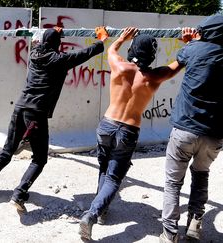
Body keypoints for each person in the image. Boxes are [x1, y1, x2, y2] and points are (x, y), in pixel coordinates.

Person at [0, 26, 108, 213]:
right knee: (39, 159)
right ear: (57, 44)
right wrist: (102, 39)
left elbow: (41, 40)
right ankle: (19, 194)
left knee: (8, 150)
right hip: (36, 114)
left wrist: (52, 31)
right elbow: (86, 53)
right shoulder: (60, 60)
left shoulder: (34, 55)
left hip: (20, 108)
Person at [78, 27, 185, 240]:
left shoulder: (118, 65)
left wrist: (121, 38)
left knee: (104, 167)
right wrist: (188, 42)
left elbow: (111, 50)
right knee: (114, 177)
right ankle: (91, 214)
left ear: (133, 49)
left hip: (107, 125)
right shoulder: (154, 76)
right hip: (128, 130)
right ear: (152, 54)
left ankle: (101, 210)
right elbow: (180, 63)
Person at [159, 14, 223, 243]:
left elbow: (185, 58)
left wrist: (191, 41)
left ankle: (169, 233)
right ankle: (194, 226)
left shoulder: (194, 49)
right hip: (215, 134)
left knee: (173, 182)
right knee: (201, 175)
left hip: (185, 128)